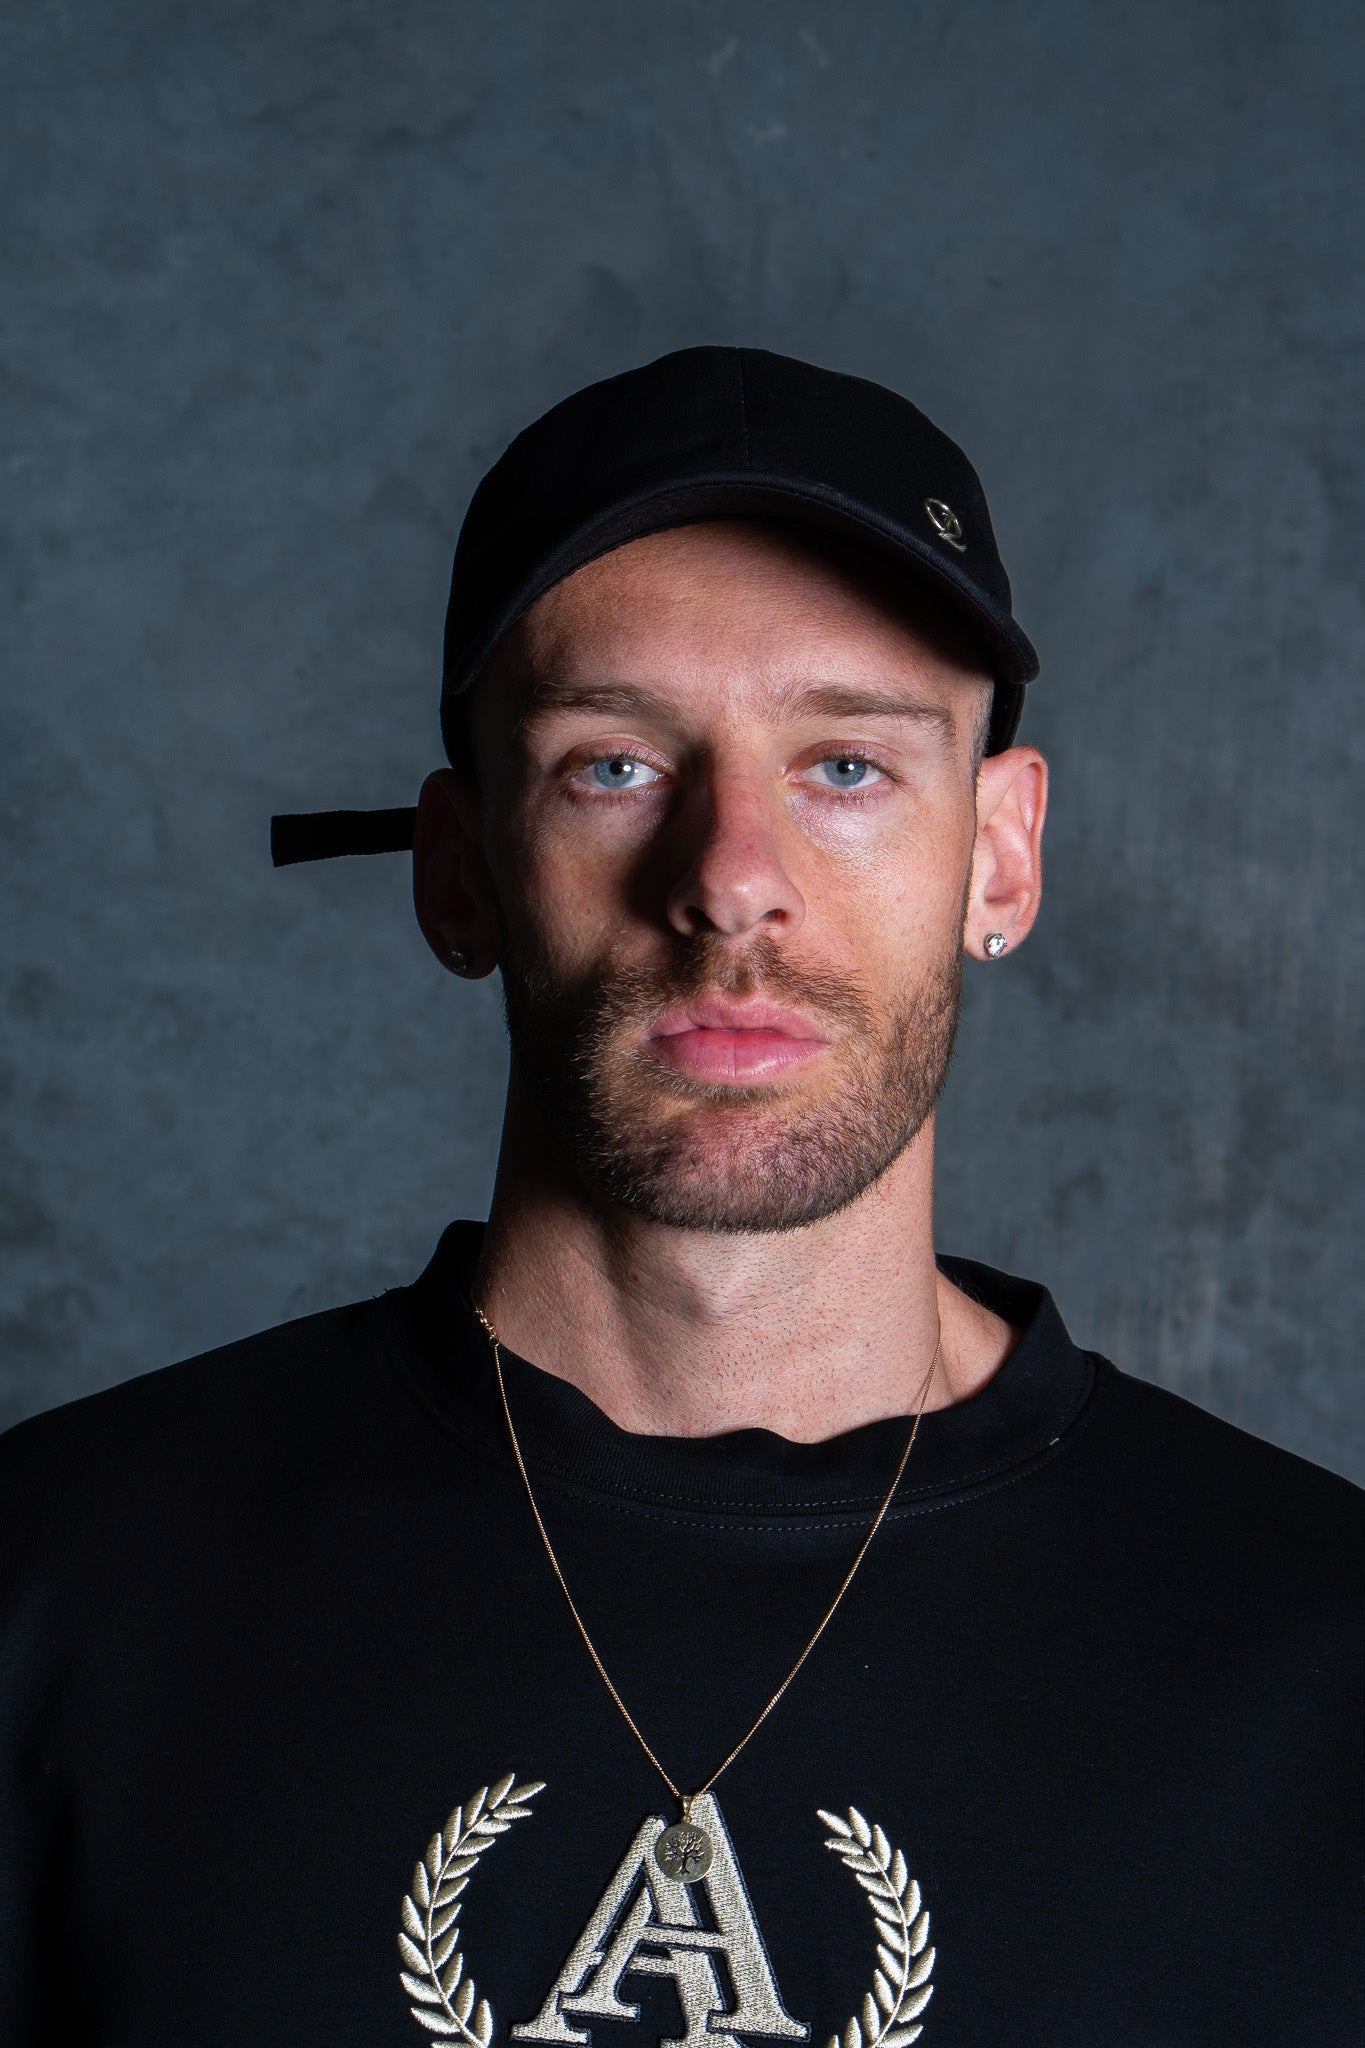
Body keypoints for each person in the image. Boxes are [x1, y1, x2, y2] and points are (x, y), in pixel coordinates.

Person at [1, 348, 1360, 2046]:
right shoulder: (57, 1589)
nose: (728, 882)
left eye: (845, 767)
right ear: (458, 874)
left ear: (1000, 855)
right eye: (614, 765)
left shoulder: (1322, 1656)